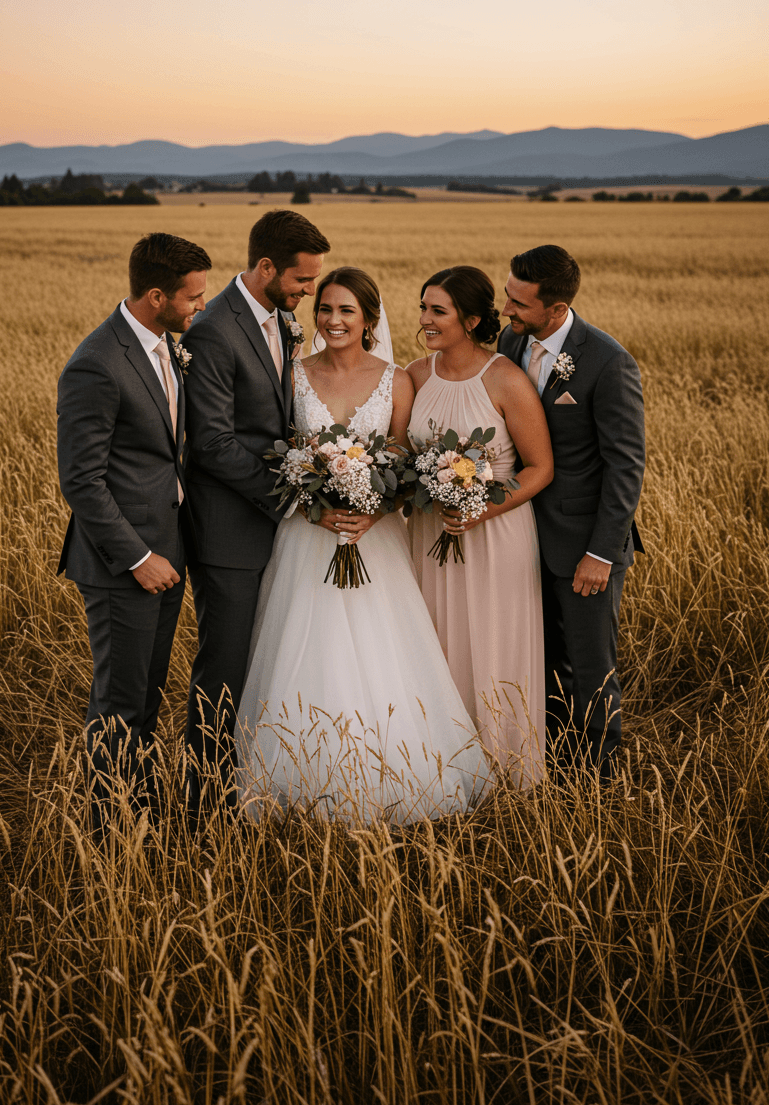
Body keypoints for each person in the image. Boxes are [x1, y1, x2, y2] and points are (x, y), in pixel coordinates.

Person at [236, 267, 489, 823]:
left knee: (384, 651)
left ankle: (392, 776)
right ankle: (301, 779)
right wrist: (315, 501)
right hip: (307, 534)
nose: (333, 320)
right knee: (304, 643)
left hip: (374, 540)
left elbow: (398, 460)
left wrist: (372, 513)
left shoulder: (396, 379)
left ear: (370, 319)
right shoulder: (295, 375)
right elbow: (285, 455)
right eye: (325, 308)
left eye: (347, 310)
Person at [56, 232, 210, 835]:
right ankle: (109, 833)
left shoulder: (166, 345)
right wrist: (138, 557)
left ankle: (138, 812)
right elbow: (82, 480)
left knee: (146, 697)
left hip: (166, 552)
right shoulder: (97, 363)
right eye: (193, 297)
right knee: (119, 706)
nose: (202, 306)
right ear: (155, 296)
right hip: (125, 563)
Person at [180, 209, 331, 815]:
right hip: (230, 534)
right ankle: (204, 800)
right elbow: (212, 443)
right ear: (266, 267)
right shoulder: (214, 330)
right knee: (225, 666)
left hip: (279, 530)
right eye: (301, 281)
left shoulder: (282, 321)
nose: (308, 294)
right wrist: (293, 496)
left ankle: (262, 780)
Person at [497, 244, 645, 779]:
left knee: (591, 669)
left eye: (518, 303)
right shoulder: (511, 341)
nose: (506, 310)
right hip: (522, 535)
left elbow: (625, 467)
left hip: (585, 546)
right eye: (507, 295)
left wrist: (601, 554)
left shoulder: (608, 361)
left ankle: (599, 780)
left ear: (556, 309)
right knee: (543, 660)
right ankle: (553, 762)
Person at [407, 266, 553, 785]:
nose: (424, 319)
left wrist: (479, 508)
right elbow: (404, 458)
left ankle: (503, 768)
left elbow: (539, 468)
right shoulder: (416, 376)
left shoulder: (505, 380)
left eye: (437, 311)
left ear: (470, 320)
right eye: (423, 307)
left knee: (491, 644)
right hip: (428, 535)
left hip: (496, 535)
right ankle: (444, 771)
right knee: (436, 643)